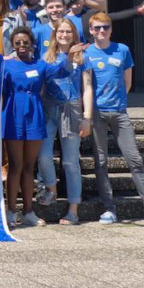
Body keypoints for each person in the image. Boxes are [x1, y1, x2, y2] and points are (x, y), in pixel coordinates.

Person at [84, 12, 144, 225]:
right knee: (101, 161)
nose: (102, 31)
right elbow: (88, 86)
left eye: (106, 27)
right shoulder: (87, 53)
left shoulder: (122, 50)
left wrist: (118, 102)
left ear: (111, 29)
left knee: (134, 159)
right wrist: (88, 115)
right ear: (91, 30)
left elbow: (127, 82)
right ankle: (109, 209)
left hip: (119, 112)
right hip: (98, 114)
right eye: (98, 28)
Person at [0, 25, 65, 228]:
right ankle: (11, 211)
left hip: (35, 115)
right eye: (17, 43)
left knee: (29, 166)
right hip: (13, 114)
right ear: (12, 44)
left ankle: (28, 211)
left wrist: (69, 53)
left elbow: (61, 70)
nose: (21, 46)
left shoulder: (40, 65)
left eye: (25, 42)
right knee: (15, 166)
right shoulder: (6, 65)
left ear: (32, 44)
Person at [37, 18, 93, 225]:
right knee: (43, 156)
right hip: (49, 108)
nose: (64, 35)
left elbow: (87, 88)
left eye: (68, 31)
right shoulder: (46, 57)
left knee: (70, 162)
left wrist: (87, 117)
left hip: (72, 108)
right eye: (61, 31)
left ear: (74, 34)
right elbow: (40, 85)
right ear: (55, 34)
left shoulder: (83, 57)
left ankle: (73, 209)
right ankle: (51, 188)